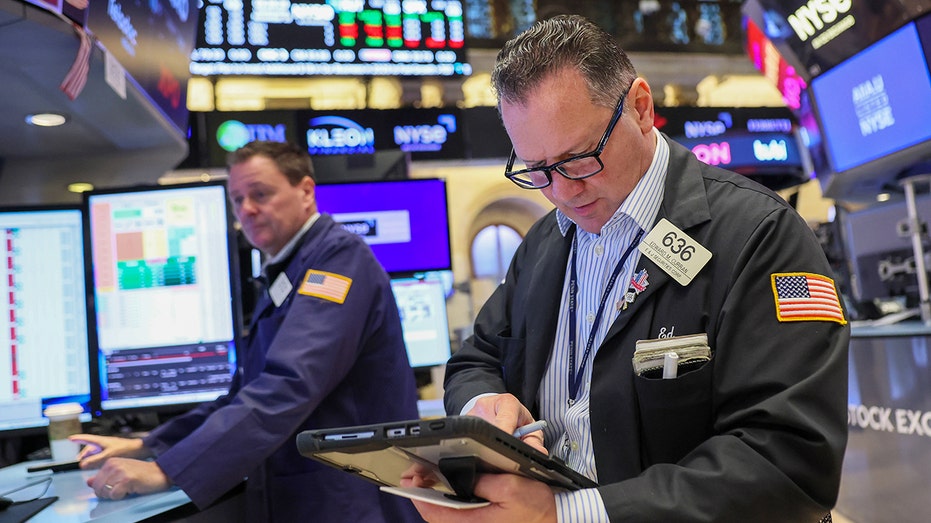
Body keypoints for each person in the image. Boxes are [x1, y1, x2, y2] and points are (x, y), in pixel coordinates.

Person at [404, 14, 849, 523]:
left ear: (641, 108)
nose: (562, 192)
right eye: (537, 170)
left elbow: (790, 464)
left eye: (579, 158)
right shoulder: (545, 243)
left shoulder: (758, 235)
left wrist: (566, 515)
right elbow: (476, 357)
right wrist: (485, 407)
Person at [72, 141, 424, 522]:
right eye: (237, 200)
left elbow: (288, 384)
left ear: (306, 191)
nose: (247, 210)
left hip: (351, 502)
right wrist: (149, 444)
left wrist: (168, 470)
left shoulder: (339, 260)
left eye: (260, 194)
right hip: (315, 498)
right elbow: (243, 393)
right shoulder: (286, 271)